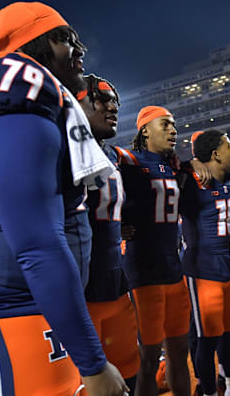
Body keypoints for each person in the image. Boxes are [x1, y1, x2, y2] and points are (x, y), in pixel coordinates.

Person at [0, 2, 126, 396]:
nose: (79, 51)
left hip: (29, 305)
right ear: (35, 43)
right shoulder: (16, 78)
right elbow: (37, 242)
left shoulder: (50, 97)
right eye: (65, 39)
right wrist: (92, 363)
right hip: (6, 307)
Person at [119, 106, 193, 396]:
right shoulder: (128, 161)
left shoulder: (175, 166)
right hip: (144, 273)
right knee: (148, 360)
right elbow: (98, 193)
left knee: (179, 352)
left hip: (173, 270)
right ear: (145, 129)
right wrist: (117, 224)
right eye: (165, 124)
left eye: (174, 125)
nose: (173, 130)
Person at [75, 74, 141, 393]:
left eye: (115, 100)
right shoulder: (62, 149)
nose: (112, 106)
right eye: (101, 99)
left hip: (116, 282)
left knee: (129, 374)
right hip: (79, 291)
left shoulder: (116, 156)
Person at [181, 130, 230, 396]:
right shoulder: (191, 179)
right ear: (215, 154)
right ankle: (208, 391)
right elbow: (162, 168)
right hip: (201, 269)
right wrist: (190, 163)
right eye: (229, 147)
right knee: (206, 339)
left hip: (226, 264)